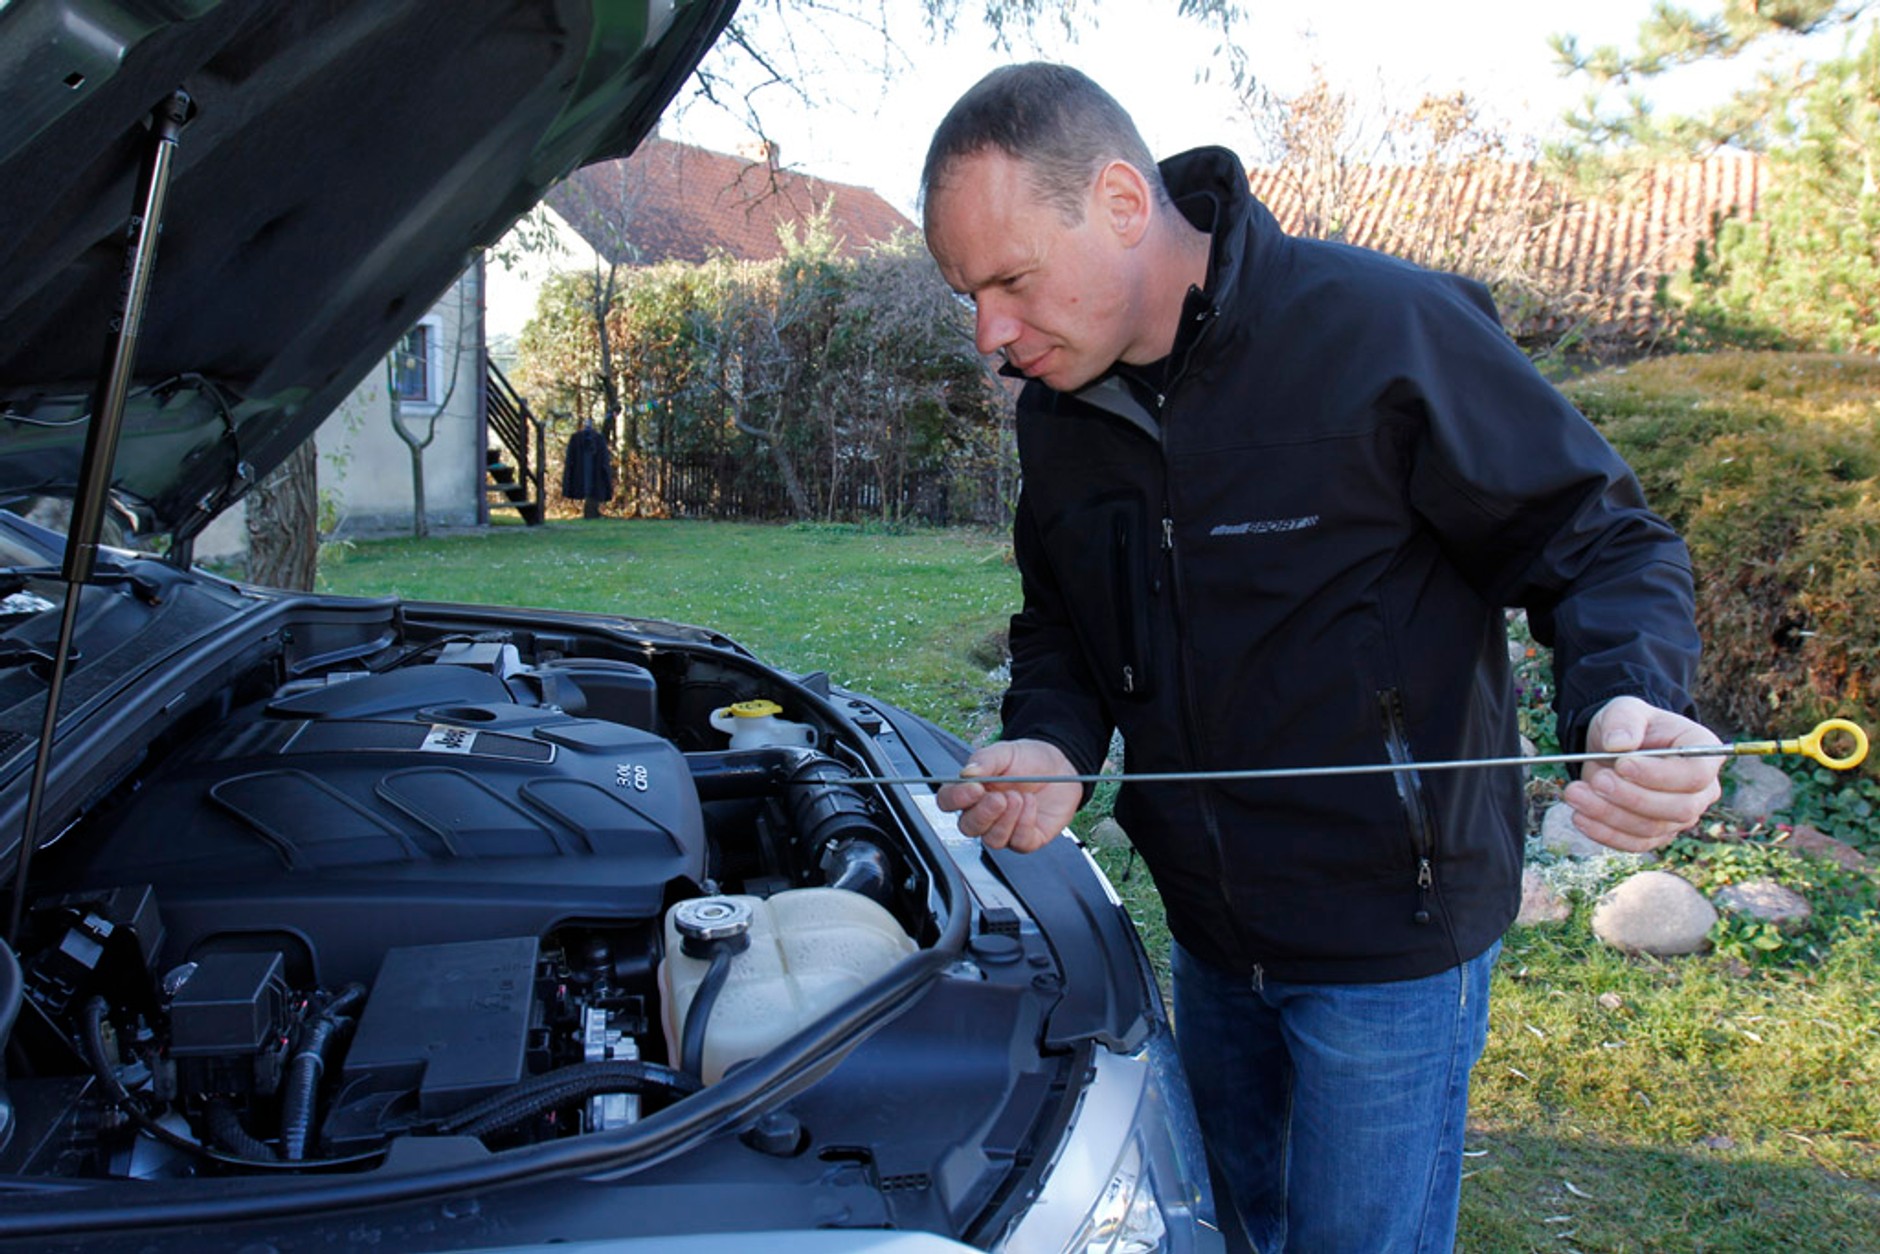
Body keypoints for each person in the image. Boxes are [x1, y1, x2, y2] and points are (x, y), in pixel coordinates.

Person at [920, 63, 1723, 1253]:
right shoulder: (1060, 411)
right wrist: (1050, 738)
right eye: (965, 295)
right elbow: (1063, 630)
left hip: (1388, 948)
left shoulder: (1379, 331)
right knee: (1234, 1226)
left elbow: (1601, 541)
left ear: (1122, 204)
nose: (989, 335)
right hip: (1205, 934)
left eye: (1009, 281)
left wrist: (1631, 700)